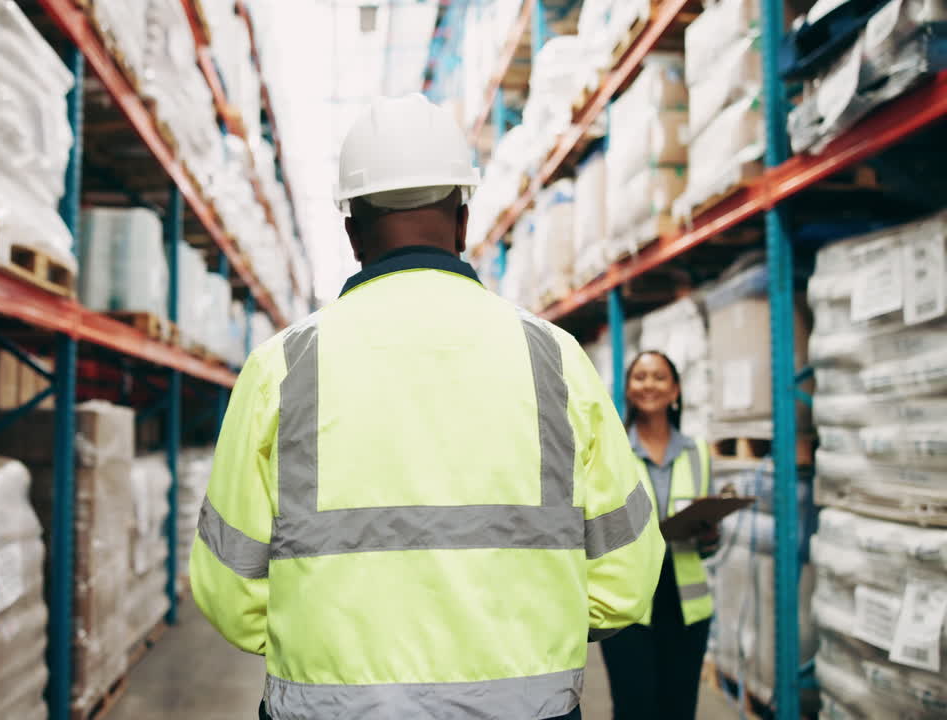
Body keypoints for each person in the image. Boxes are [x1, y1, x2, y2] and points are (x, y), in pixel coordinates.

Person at [189, 93, 665, 720]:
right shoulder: (553, 358)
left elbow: (229, 591)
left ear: (351, 230)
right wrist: (530, 637)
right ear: (463, 221)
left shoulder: (281, 368)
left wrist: (319, 645)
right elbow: (626, 577)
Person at [600, 350, 720, 720]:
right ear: (628, 390)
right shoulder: (611, 449)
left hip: (686, 606)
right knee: (634, 708)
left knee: (679, 709)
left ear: (675, 391)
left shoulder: (698, 452)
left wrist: (709, 534)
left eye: (658, 377)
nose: (648, 384)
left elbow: (710, 547)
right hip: (629, 607)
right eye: (639, 377)